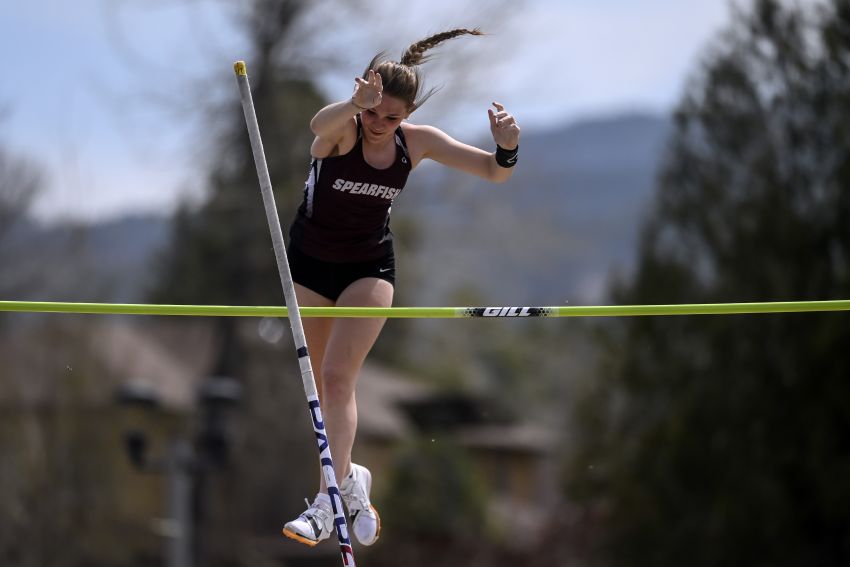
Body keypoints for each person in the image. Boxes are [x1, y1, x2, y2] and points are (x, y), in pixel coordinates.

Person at [282, 28, 520, 547]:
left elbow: (492, 172)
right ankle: (352, 482)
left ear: (406, 116)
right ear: (362, 98)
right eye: (373, 113)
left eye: (391, 118)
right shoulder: (343, 130)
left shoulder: (418, 144)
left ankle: (327, 502)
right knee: (320, 395)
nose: (378, 125)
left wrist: (507, 150)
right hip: (309, 266)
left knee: (338, 378)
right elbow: (316, 129)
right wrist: (352, 104)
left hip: (369, 268)